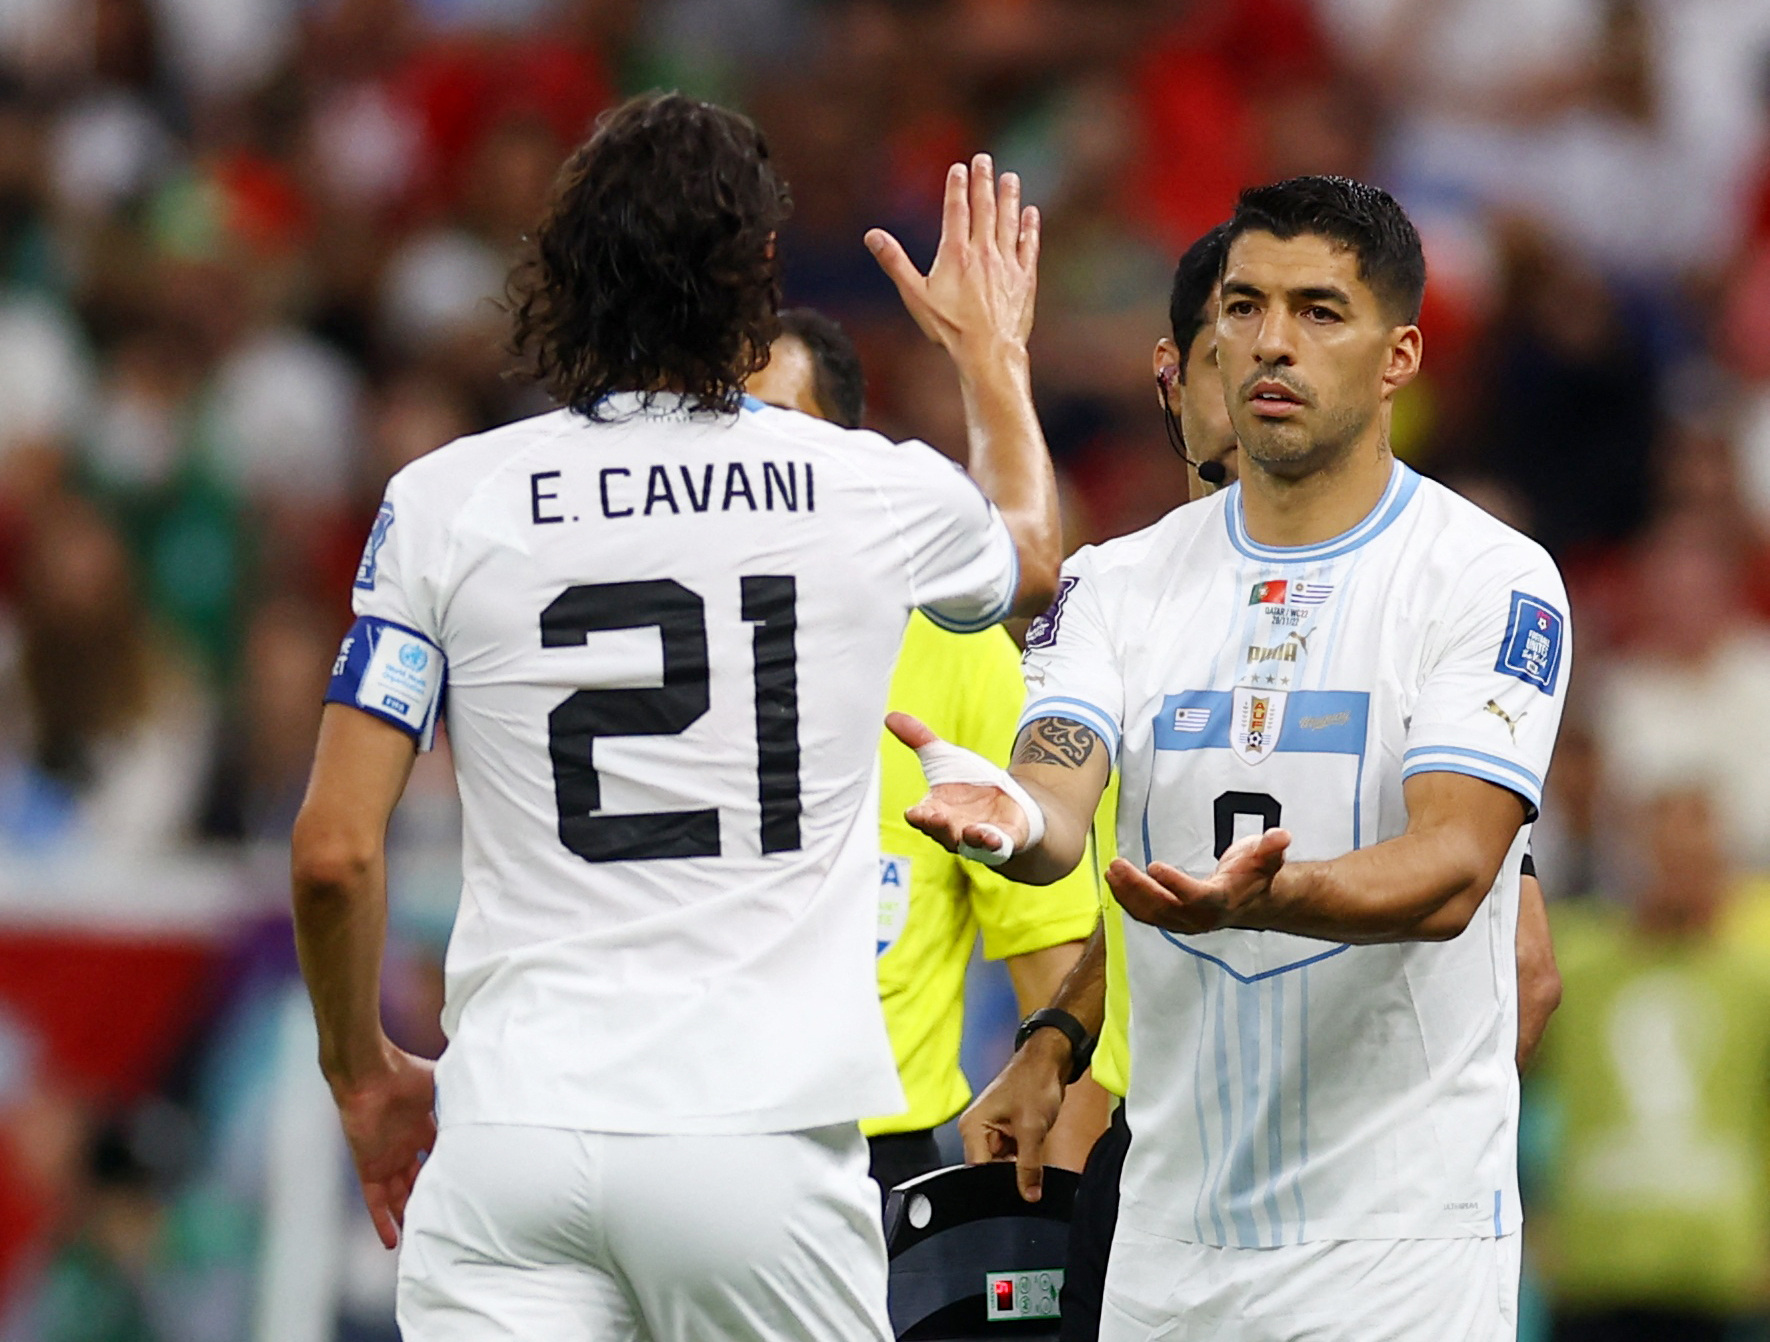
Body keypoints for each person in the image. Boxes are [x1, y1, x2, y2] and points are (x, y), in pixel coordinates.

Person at [289, 93, 1061, 1342]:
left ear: (565, 264)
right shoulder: (856, 483)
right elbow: (1029, 552)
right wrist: (991, 357)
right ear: (756, 272)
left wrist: (362, 1074)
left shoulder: (444, 500)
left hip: (511, 1135)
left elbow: (332, 852)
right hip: (754, 1142)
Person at [891, 174, 1570, 1340]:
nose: (1270, 340)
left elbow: (1460, 870)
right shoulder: (1120, 582)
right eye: (1245, 307)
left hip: (1400, 1250)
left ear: (1400, 354)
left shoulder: (1488, 577)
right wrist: (1014, 820)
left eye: (1317, 311)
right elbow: (1060, 803)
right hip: (1169, 1248)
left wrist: (1274, 897)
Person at [748, 308, 1109, 1196]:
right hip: (656, 1144)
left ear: (852, 458)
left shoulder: (952, 646)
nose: (749, 472)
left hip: (863, 1165)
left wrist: (1053, 1248)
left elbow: (1058, 976)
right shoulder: (653, 636)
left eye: (782, 432)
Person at [1536, 788, 1770, 1342]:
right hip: (1593, 1270)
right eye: (1666, 856)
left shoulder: (1754, 981)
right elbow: (1503, 1093)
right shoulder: (1572, 964)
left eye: (1697, 858)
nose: (1681, 874)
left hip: (1721, 1275)